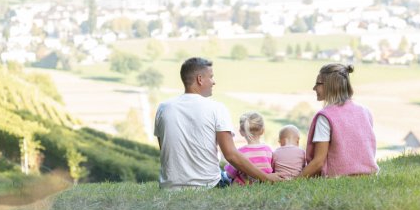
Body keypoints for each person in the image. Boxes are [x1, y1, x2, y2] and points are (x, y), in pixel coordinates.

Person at [153, 57, 281, 189]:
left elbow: (166, 149)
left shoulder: (163, 108)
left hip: (169, 187)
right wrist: (266, 177)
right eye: (211, 77)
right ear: (200, 79)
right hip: (208, 185)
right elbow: (231, 155)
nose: (214, 82)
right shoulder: (217, 108)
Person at [300, 63, 378, 178]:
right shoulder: (365, 111)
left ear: (331, 85)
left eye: (318, 84)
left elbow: (318, 162)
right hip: (369, 177)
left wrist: (293, 180)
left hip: (337, 178)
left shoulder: (325, 117)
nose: (314, 88)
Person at [224, 112, 274, 185]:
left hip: (243, 186)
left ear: (241, 132)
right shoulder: (268, 150)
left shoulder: (239, 152)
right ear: (263, 131)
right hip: (264, 184)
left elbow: (230, 175)